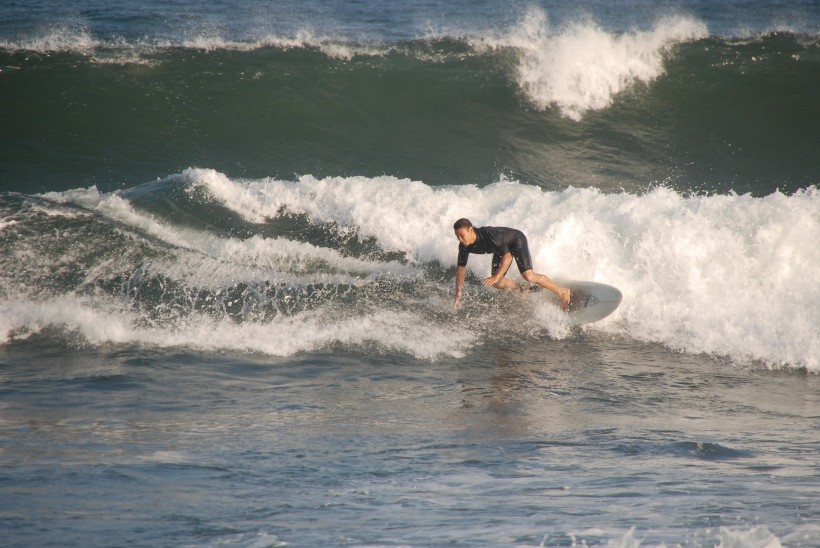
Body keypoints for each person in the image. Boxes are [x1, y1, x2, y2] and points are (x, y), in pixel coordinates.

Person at [452, 218, 571, 310]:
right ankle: (522, 289)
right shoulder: (463, 247)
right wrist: (458, 292)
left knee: (528, 275)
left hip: (516, 240)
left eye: (462, 235)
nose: (460, 239)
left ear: (471, 230)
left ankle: (562, 291)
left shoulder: (489, 235)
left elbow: (507, 257)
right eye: (457, 236)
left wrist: (496, 275)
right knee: (497, 283)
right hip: (500, 249)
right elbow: (461, 268)